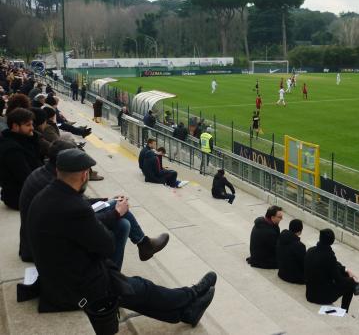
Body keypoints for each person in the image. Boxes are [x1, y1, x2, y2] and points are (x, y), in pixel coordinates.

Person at [27, 148, 216, 326]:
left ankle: (186, 313)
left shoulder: (47, 195)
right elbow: (107, 246)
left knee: (131, 289)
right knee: (140, 287)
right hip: (72, 290)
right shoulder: (74, 207)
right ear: (85, 175)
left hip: (60, 278)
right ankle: (191, 294)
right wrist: (114, 216)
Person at [19, 139, 169, 268]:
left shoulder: (50, 179)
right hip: (47, 252)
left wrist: (107, 201)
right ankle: (141, 246)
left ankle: (139, 248)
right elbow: (81, 222)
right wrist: (116, 212)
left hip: (43, 243)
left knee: (123, 222)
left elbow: (76, 212)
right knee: (122, 223)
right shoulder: (54, 189)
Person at [304, 229, 359, 312]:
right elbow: (338, 279)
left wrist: (345, 269)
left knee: (345, 274)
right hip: (322, 297)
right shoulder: (329, 257)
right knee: (349, 284)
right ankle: (345, 309)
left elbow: (333, 264)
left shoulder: (310, 251)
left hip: (310, 293)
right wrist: (351, 280)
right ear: (332, 241)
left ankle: (357, 286)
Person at [0, 108, 43, 209]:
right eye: (28, 125)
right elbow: (27, 178)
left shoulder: (23, 141)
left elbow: (36, 164)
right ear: (15, 126)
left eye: (32, 124)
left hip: (25, 193)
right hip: (19, 198)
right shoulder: (11, 149)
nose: (32, 128)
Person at [276, 219, 306, 284]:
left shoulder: (282, 236)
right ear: (300, 231)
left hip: (282, 273)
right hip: (295, 277)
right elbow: (304, 264)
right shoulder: (300, 246)